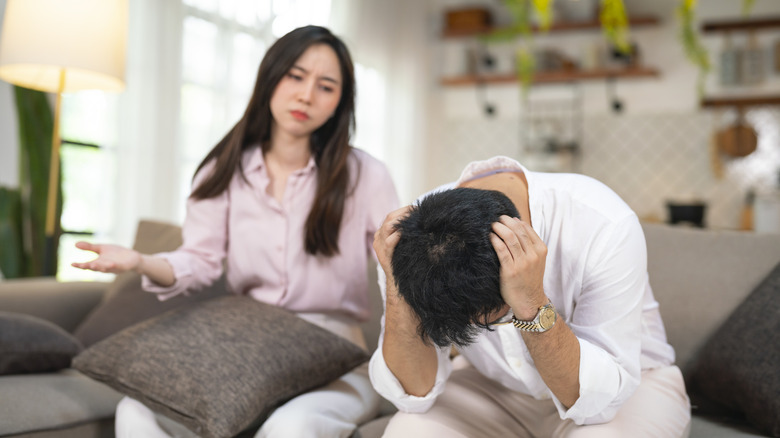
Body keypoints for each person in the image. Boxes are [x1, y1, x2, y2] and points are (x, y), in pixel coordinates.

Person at [73, 25, 399, 438]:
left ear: (340, 102)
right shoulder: (224, 170)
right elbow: (199, 261)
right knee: (137, 410)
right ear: (270, 78)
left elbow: (401, 262)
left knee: (292, 427)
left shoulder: (366, 175)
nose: (306, 95)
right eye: (295, 76)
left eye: (326, 86)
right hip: (248, 350)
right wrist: (140, 261)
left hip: (336, 355)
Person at [370, 156, 691, 437]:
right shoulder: (414, 242)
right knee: (407, 431)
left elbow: (599, 404)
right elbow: (412, 394)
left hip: (628, 388)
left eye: (496, 319)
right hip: (495, 387)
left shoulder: (602, 222)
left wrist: (530, 302)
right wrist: (398, 286)